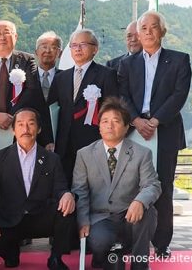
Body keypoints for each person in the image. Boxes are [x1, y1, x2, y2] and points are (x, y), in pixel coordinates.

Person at [118, 10, 192, 258]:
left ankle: (162, 242)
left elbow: (179, 95)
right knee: (129, 186)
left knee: (164, 187)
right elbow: (122, 95)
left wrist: (156, 120)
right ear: (138, 33)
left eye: (153, 27)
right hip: (134, 130)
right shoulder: (127, 64)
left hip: (166, 129)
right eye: (143, 28)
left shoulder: (180, 60)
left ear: (162, 31)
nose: (148, 31)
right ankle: (129, 239)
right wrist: (137, 120)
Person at [72, 98, 161, 270]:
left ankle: (139, 265)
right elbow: (79, 191)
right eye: (105, 121)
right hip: (101, 218)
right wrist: (82, 221)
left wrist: (140, 201)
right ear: (99, 126)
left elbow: (152, 184)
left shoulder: (142, 153)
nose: (109, 126)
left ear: (127, 127)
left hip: (131, 216)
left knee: (148, 212)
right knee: (102, 244)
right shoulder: (84, 154)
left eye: (116, 121)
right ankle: (104, 256)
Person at [0, 108, 74, 270]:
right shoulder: (0, 157)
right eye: (20, 124)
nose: (26, 129)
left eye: (31, 124)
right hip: (9, 218)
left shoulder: (51, 159)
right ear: (13, 130)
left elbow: (60, 187)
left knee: (67, 206)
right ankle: (11, 252)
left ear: (38, 129)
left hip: (39, 215)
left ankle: (56, 257)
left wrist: (66, 194)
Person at [49, 29, 117, 185]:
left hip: (93, 143)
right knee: (65, 188)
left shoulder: (106, 75)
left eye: (83, 44)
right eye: (74, 45)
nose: (78, 49)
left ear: (95, 49)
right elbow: (50, 110)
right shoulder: (61, 77)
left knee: (92, 188)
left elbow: (112, 110)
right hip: (63, 145)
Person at [0, 20, 52, 146]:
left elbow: (31, 90)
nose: (2, 37)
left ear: (15, 37)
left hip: (19, 127)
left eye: (6, 32)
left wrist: (11, 116)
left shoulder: (27, 60)